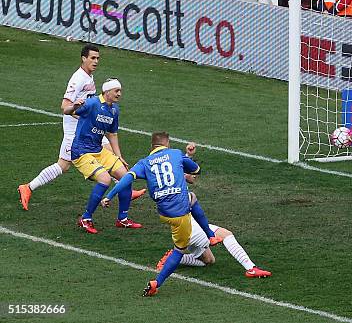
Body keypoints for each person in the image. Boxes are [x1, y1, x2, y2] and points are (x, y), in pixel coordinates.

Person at [17, 45, 145, 211]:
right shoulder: (78, 79)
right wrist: (87, 117)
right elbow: (65, 106)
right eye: (92, 58)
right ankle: (27, 187)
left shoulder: (88, 77)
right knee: (63, 165)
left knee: (106, 151)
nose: (96, 61)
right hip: (75, 130)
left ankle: (123, 188)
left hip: (87, 128)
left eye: (98, 58)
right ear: (83, 58)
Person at [101, 131, 223, 296]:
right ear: (168, 143)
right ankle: (157, 283)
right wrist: (189, 157)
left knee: (190, 198)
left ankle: (210, 235)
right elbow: (196, 171)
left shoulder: (145, 162)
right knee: (179, 249)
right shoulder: (175, 154)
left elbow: (127, 179)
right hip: (180, 213)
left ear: (153, 146)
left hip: (164, 212)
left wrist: (109, 196)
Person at [156, 142, 271, 278]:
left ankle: (174, 258)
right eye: (192, 174)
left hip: (181, 227)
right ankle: (251, 268)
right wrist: (188, 158)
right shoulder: (178, 178)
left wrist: (188, 155)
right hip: (189, 226)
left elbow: (179, 169)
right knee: (226, 235)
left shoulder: (172, 179)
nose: (195, 176)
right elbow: (183, 170)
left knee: (208, 260)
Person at [64, 78, 143, 234]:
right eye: (117, 91)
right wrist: (74, 106)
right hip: (81, 151)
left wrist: (118, 156)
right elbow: (67, 111)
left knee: (126, 177)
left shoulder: (114, 110)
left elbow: (112, 134)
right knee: (105, 180)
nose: (119, 94)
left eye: (120, 91)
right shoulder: (92, 103)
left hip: (98, 150)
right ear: (107, 92)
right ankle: (85, 218)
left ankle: (122, 219)